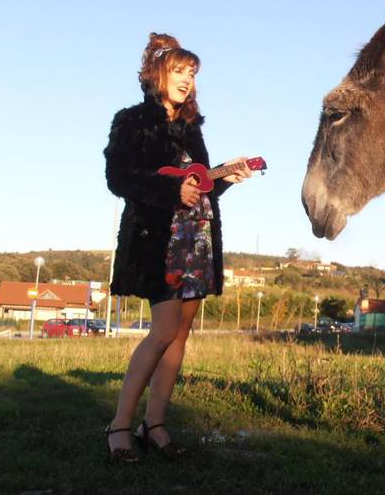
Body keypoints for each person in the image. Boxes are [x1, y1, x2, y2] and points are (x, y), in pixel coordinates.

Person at [103, 33, 251, 463]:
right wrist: (171, 191)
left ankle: (157, 424)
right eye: (180, 71)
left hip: (197, 239)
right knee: (164, 331)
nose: (187, 80)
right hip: (159, 240)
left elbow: (200, 187)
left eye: (192, 74)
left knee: (181, 334)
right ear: (157, 74)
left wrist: (225, 178)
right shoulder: (131, 121)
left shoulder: (191, 129)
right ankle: (120, 426)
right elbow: (119, 178)